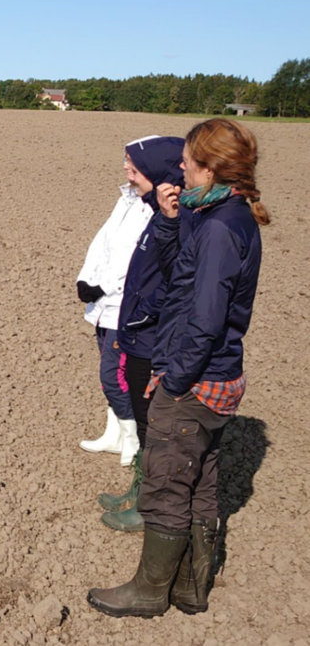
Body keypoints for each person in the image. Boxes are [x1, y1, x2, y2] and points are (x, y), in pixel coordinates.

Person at [88, 118, 269, 618]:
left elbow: (204, 318)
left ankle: (148, 593)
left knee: (168, 484)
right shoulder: (223, 216)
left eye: (189, 159)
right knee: (201, 482)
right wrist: (170, 221)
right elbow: (181, 279)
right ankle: (191, 587)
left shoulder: (217, 228)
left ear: (210, 168)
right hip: (218, 375)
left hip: (197, 379)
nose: (181, 165)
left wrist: (175, 377)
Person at [98, 136, 186, 532]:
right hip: (140, 336)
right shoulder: (160, 215)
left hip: (153, 340)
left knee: (153, 426)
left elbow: (172, 284)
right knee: (144, 418)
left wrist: (139, 319)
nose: (126, 172)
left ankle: (148, 505)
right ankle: (138, 490)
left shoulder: (181, 220)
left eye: (134, 167)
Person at [76, 137, 157, 466]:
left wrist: (102, 288)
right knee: (109, 375)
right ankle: (114, 435)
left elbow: (134, 263)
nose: (126, 167)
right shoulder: (125, 199)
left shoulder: (153, 210)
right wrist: (86, 278)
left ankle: (133, 438)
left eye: (132, 163)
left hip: (123, 307)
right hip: (103, 306)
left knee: (114, 376)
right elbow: (103, 241)